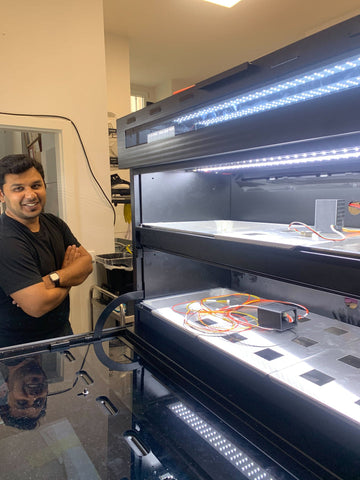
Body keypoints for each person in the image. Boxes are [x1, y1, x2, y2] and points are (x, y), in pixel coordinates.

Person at [0, 154, 93, 347]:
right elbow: (37, 306)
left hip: (61, 334)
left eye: (36, 185)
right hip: (18, 350)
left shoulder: (54, 223)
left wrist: (52, 279)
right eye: (18, 188)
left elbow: (86, 263)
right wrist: (69, 279)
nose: (31, 195)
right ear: (1, 195)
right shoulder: (5, 238)